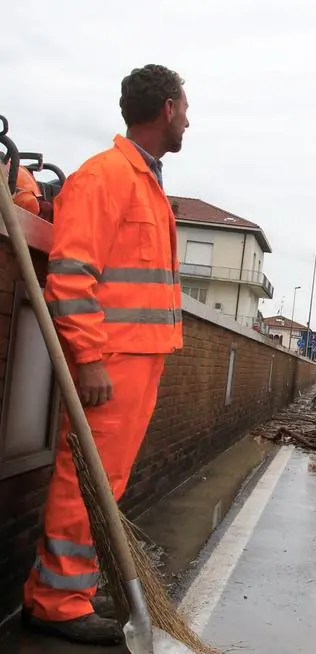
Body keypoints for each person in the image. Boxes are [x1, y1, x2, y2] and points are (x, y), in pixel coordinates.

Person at [22, 64, 189, 646]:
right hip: (112, 361)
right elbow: (70, 275)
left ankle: (72, 584)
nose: (189, 119)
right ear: (167, 108)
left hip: (136, 358)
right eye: (186, 107)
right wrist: (89, 358)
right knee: (85, 477)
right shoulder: (105, 178)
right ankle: (55, 600)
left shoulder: (142, 181)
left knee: (105, 479)